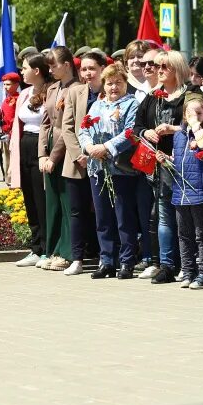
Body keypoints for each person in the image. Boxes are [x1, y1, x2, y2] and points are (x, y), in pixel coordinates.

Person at [134, 50, 203, 283]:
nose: (159, 70)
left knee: (190, 218)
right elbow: (136, 127)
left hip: (188, 164)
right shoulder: (153, 96)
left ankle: (194, 267)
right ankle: (167, 264)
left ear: (177, 69)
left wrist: (174, 129)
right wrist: (147, 132)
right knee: (164, 213)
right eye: (157, 66)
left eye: (164, 66)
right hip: (161, 162)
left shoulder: (192, 94)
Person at [78, 63, 144, 279]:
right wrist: (89, 147)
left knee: (123, 216)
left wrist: (106, 147)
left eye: (118, 82)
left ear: (125, 83)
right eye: (109, 83)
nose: (113, 87)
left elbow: (130, 133)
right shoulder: (97, 105)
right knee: (103, 217)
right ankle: (106, 260)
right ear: (103, 85)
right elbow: (84, 129)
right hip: (97, 167)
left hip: (120, 168)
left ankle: (127, 261)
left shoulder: (131, 104)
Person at [156, 97, 203, 289]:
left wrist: (195, 124)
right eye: (191, 114)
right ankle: (188, 271)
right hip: (181, 192)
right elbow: (178, 161)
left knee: (201, 235)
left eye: (199, 113)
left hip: (199, 192)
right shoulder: (179, 136)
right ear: (184, 114)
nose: (195, 117)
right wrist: (165, 159)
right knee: (184, 235)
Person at [61, 52, 107, 275]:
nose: (88, 73)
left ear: (102, 69)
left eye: (92, 68)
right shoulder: (74, 92)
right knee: (77, 211)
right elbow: (67, 126)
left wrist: (96, 153)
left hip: (104, 160)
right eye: (84, 69)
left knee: (102, 211)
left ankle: (105, 256)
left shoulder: (112, 90)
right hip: (77, 162)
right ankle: (77, 258)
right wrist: (79, 153)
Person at [37, 46, 80, 272]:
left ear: (66, 65)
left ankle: (66, 251)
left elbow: (67, 127)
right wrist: (42, 153)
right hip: (51, 145)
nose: (51, 70)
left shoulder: (77, 89)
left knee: (66, 202)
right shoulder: (53, 88)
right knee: (52, 201)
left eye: (54, 65)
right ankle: (52, 249)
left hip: (66, 148)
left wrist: (54, 156)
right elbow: (45, 123)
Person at [11, 54, 51, 266]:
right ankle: (35, 247)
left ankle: (46, 248)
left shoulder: (51, 91)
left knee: (41, 197)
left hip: (41, 146)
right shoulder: (25, 93)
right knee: (29, 199)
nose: (22, 71)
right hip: (24, 145)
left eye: (25, 68)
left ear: (37, 71)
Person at [0, 72, 20, 185]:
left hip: (13, 134)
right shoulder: (6, 99)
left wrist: (11, 131)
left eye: (8, 84)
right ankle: (8, 180)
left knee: (14, 159)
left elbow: (17, 117)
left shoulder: (19, 98)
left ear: (16, 85)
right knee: (6, 159)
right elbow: (3, 117)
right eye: (4, 84)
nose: (5, 87)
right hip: (5, 134)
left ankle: (13, 181)